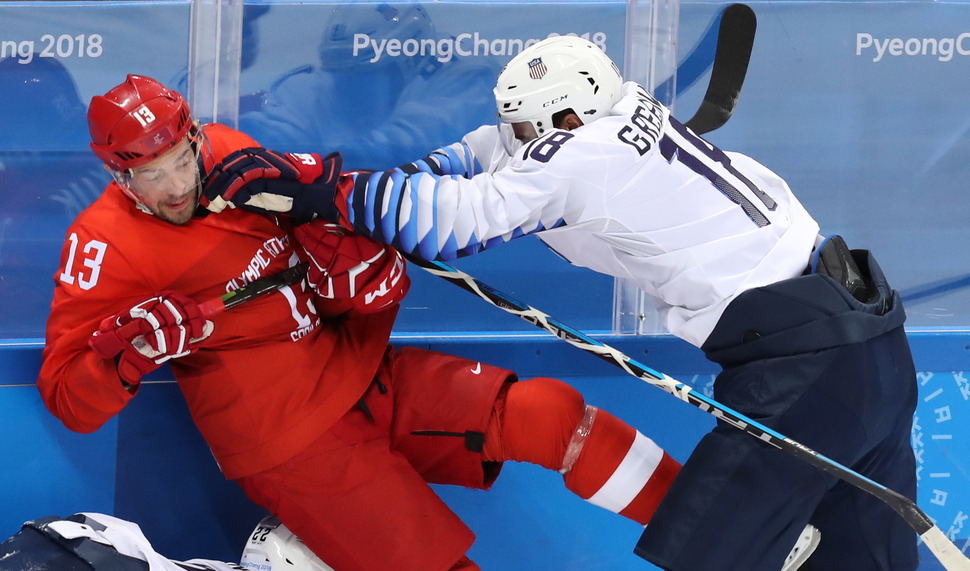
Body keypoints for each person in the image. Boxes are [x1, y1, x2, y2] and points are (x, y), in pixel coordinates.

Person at [202, 36, 919, 570]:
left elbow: (452, 221)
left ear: (569, 119)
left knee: (713, 555)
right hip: (871, 341)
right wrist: (379, 178)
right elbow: (486, 152)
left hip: (805, 375)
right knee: (862, 557)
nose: (514, 141)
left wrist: (318, 192)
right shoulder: (620, 113)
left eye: (527, 130)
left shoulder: (580, 160)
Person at [37, 74, 681, 571]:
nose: (179, 186)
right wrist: (126, 359)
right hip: (293, 440)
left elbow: (322, 213)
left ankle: (722, 536)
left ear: (196, 138)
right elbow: (66, 396)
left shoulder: (229, 152)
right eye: (152, 175)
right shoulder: (100, 248)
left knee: (548, 412)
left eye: (183, 159)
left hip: (364, 370)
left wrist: (357, 269)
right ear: (117, 173)